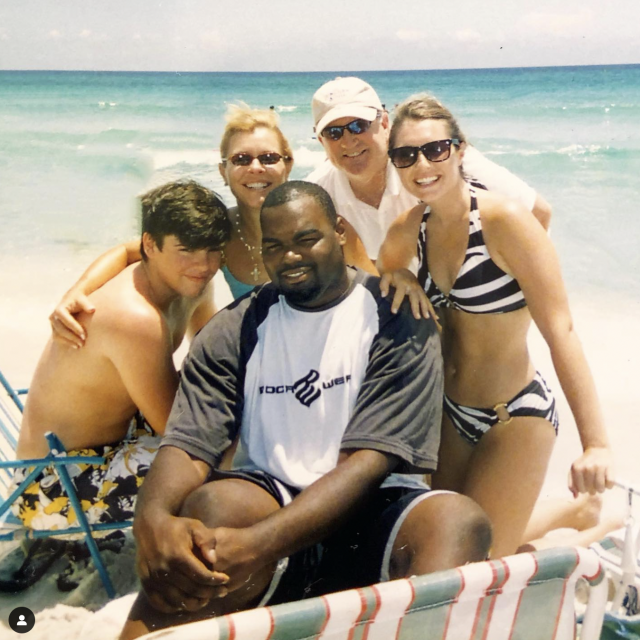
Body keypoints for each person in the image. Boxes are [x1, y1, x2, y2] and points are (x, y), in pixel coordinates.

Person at [119, 181, 492, 640]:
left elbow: (367, 463)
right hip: (272, 497)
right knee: (211, 508)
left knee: (457, 521)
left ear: (338, 231)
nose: (289, 257)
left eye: (305, 239)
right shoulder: (235, 328)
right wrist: (151, 518)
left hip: (371, 507)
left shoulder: (396, 315)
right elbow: (190, 443)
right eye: (273, 247)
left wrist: (257, 545)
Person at [376, 93, 614, 557]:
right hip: (449, 414)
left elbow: (560, 328)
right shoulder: (411, 228)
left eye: (435, 149)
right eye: (405, 155)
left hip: (514, 414)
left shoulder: (505, 221)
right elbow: (382, 268)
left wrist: (596, 444)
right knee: (439, 547)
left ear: (461, 149)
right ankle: (568, 512)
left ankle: (588, 528)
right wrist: (403, 275)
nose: (421, 164)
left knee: (478, 561)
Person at [3, 181, 230, 592]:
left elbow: (213, 349)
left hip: (103, 447)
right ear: (151, 244)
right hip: (53, 489)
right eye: (187, 250)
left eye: (214, 250)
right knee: (213, 460)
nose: (204, 264)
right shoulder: (135, 318)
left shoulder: (186, 282)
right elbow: (177, 431)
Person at [48, 104, 293, 349]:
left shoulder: (309, 224)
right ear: (223, 172)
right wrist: (76, 293)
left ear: (288, 165)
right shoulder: (219, 233)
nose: (256, 167)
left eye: (269, 157)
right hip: (260, 358)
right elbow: (126, 252)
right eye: (241, 159)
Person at [307, 76, 553, 269]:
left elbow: (537, 212)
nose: (348, 141)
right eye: (334, 133)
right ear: (321, 141)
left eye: (358, 126)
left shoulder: (439, 159)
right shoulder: (315, 196)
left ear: (384, 123)